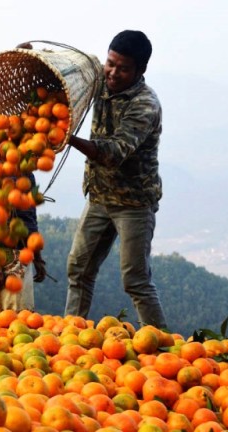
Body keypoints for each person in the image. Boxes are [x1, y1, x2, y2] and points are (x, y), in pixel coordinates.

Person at [62, 30, 168, 328]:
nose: (113, 72)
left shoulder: (145, 105)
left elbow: (113, 153)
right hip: (99, 196)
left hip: (133, 203)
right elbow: (66, 77)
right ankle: (72, 332)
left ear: (140, 70)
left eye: (123, 68)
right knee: (78, 269)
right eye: (110, 63)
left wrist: (68, 139)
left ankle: (162, 347)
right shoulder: (101, 78)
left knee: (135, 280)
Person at [0, 173, 48, 311]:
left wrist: (37, 257)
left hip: (23, 256)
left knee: (22, 317)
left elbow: (30, 219)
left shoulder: (27, 176)